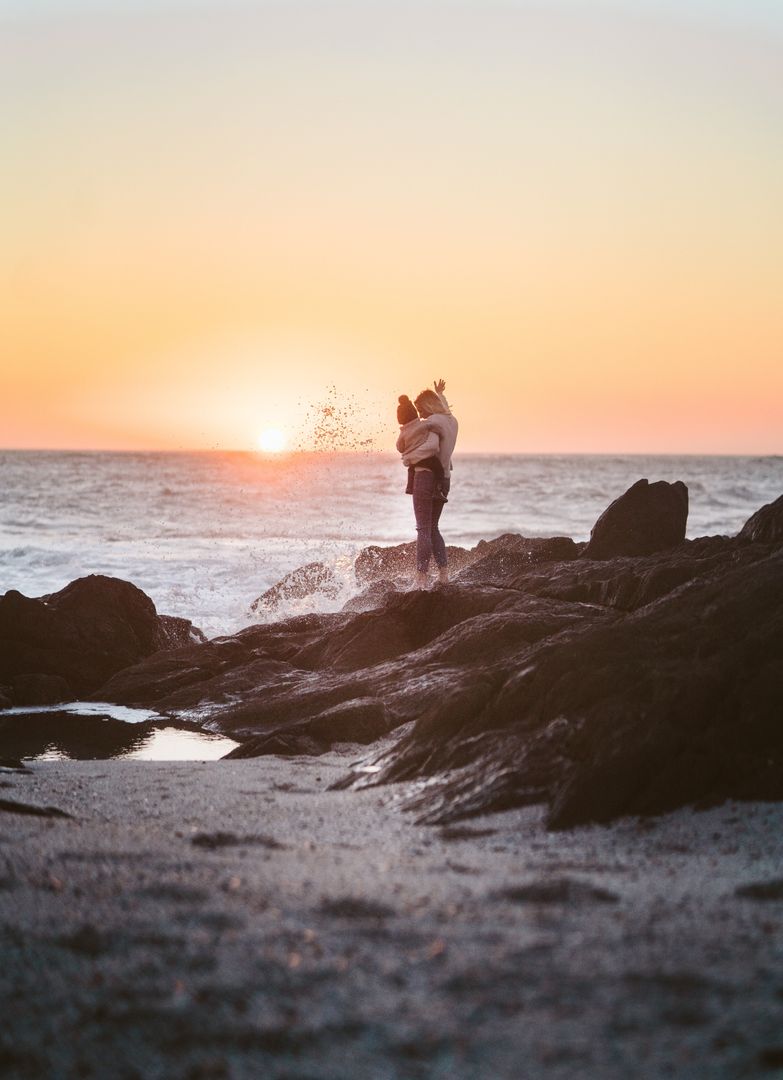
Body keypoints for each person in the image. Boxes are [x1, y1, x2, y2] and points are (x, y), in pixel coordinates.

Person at [404, 379, 459, 589]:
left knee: (423, 529)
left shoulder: (431, 423)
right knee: (433, 527)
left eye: (420, 409)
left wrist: (408, 457)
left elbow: (429, 449)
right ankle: (444, 574)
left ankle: (421, 577)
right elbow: (445, 411)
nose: (419, 414)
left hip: (427, 477)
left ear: (427, 406)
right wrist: (440, 394)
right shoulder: (452, 420)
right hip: (445, 479)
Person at [395, 395, 447, 500]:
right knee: (439, 469)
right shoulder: (423, 424)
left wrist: (405, 448)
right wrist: (441, 435)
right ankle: (437, 490)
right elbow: (437, 428)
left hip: (412, 461)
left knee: (411, 469)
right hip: (427, 459)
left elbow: (399, 447)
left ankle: (410, 486)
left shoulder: (403, 432)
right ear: (414, 412)